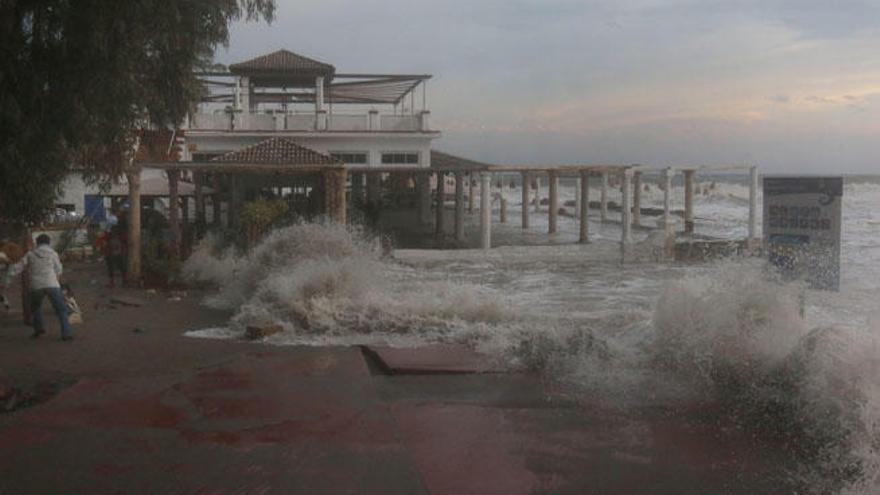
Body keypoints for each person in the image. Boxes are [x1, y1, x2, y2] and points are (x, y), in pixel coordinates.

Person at [3, 234, 73, 341]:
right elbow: (59, 270)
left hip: (36, 286)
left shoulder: (30, 255)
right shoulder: (53, 253)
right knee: (61, 310)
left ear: (37, 242)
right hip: (52, 284)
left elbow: (18, 267)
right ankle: (66, 333)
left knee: (36, 308)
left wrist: (8, 276)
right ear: (48, 242)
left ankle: (39, 330)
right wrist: (56, 280)